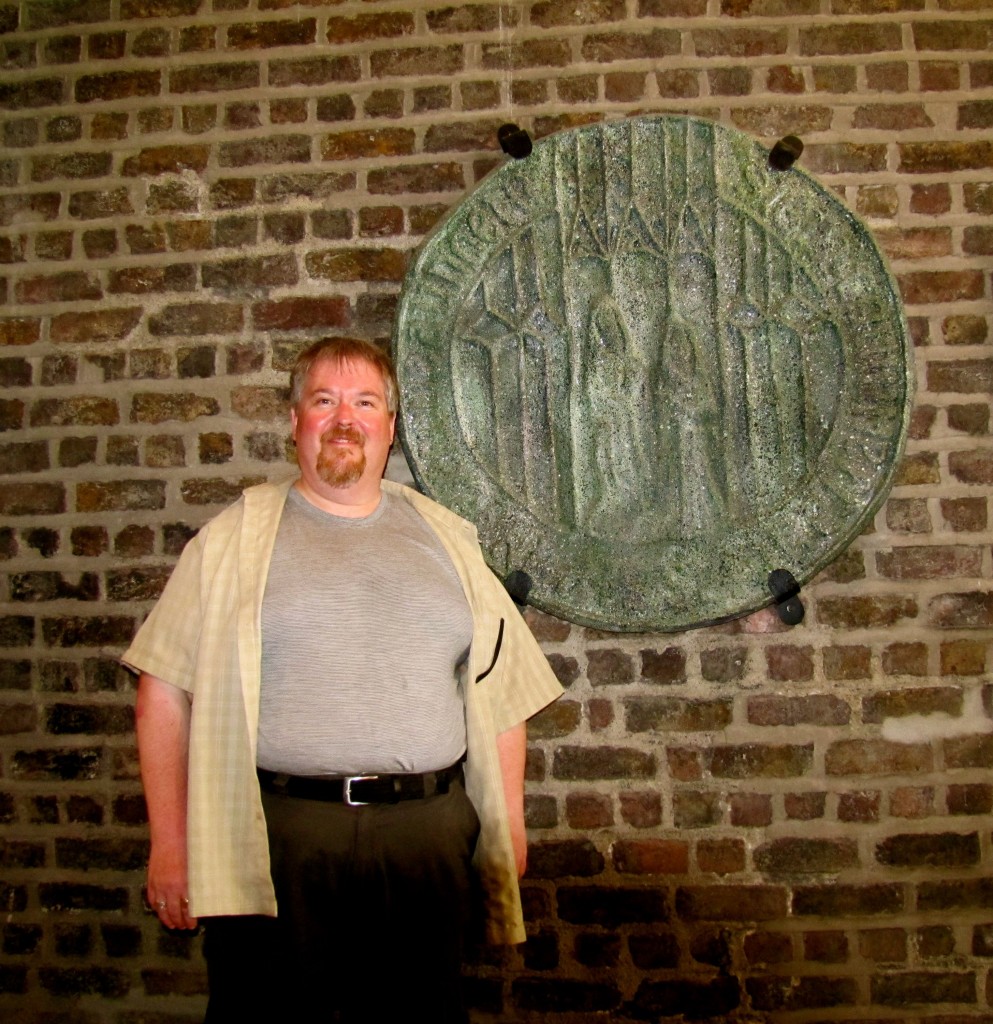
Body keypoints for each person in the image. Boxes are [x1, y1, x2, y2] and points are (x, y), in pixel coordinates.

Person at [124, 337, 563, 1022]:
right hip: (279, 836)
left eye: (364, 402)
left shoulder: (448, 538)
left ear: (391, 427)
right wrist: (170, 845)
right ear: (295, 419)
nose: (343, 418)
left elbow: (502, 694)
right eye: (323, 400)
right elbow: (162, 695)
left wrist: (507, 830)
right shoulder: (231, 540)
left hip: (427, 835)